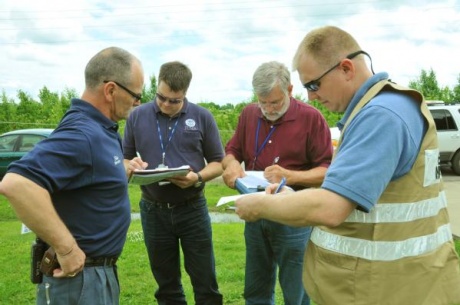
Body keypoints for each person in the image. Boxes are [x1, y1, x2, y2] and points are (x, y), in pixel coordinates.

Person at [234, 26, 460, 305]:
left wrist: (259, 205)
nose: (311, 96)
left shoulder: (381, 115)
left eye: (313, 85)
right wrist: (292, 198)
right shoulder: (381, 109)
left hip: (390, 289)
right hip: (389, 283)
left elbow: (331, 208)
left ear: (346, 69)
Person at [0, 47, 144, 305]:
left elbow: (87, 176)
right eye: (135, 95)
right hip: (80, 279)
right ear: (110, 90)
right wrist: (66, 248)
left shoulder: (101, 129)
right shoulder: (83, 133)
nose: (137, 103)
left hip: (93, 276)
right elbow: (17, 184)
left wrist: (120, 169)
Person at [222, 61, 332, 305]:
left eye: (275, 102)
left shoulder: (311, 118)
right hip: (256, 212)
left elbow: (327, 171)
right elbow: (232, 151)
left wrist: (291, 176)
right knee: (256, 288)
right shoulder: (249, 114)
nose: (268, 109)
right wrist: (230, 167)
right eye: (263, 102)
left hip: (295, 217)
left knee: (297, 291)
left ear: (290, 90)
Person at [123, 61, 224, 305]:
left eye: (174, 100)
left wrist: (197, 178)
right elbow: (125, 157)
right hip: (153, 210)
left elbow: (218, 163)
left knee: (205, 281)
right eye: (161, 97)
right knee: (166, 285)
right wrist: (130, 166)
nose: (166, 104)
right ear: (156, 87)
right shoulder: (136, 116)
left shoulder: (202, 117)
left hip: (192, 209)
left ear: (185, 94)